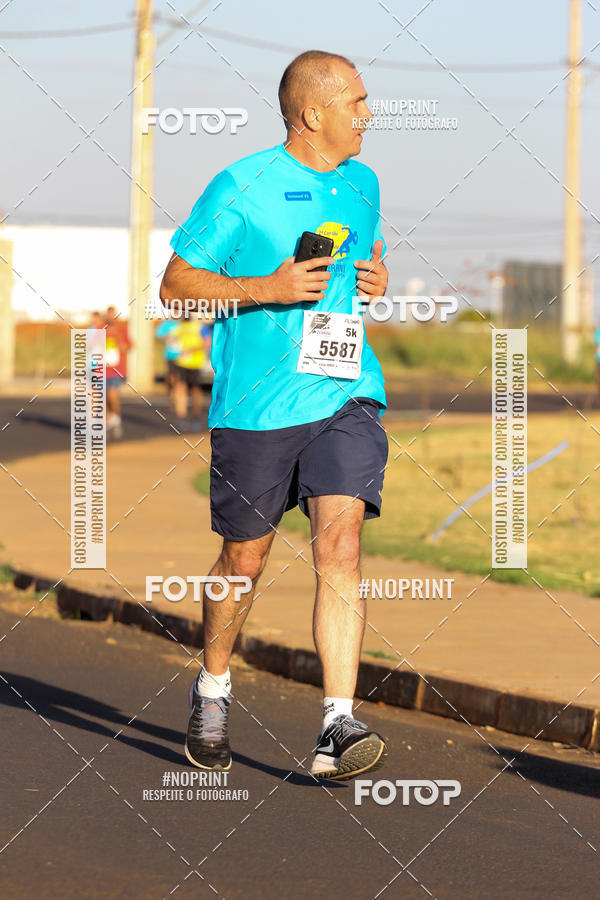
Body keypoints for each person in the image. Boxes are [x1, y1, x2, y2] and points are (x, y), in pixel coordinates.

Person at [161, 50, 389, 781]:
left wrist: (374, 281)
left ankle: (336, 727)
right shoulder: (243, 184)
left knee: (341, 545)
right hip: (257, 405)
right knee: (246, 558)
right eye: (356, 101)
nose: (368, 113)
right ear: (313, 113)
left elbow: (357, 268)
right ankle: (214, 685)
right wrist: (268, 285)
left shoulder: (363, 182)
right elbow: (176, 288)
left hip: (345, 389)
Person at [157, 316, 212, 432]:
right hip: (180, 362)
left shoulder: (199, 327)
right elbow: (165, 337)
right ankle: (181, 417)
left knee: (195, 391)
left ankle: (196, 416)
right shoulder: (178, 327)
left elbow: (207, 342)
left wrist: (192, 349)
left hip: (195, 364)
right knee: (180, 388)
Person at [105, 306, 131, 441]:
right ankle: (109, 421)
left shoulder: (122, 330)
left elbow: (129, 346)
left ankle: (116, 418)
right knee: (105, 398)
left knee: (112, 394)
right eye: (110, 315)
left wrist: (121, 343)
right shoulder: (101, 330)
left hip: (117, 369)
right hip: (103, 370)